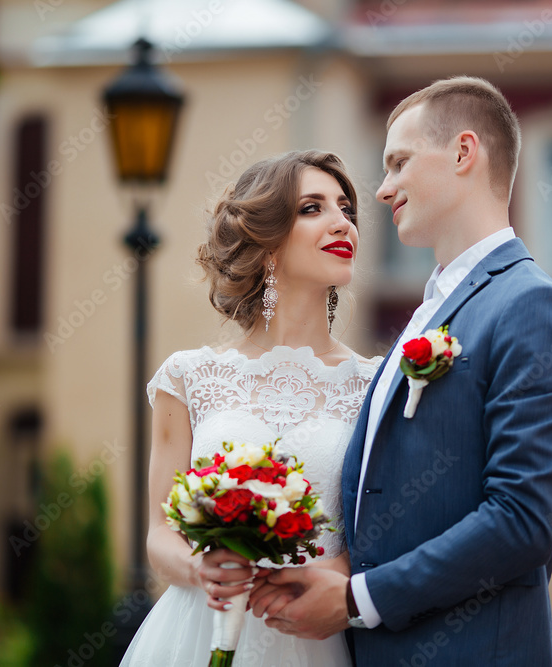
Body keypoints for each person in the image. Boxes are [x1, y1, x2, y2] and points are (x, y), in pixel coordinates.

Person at [249, 76, 552, 664]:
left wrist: (358, 598)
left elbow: (522, 520)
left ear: (463, 153)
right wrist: (334, 570)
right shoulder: (429, 313)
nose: (382, 191)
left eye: (399, 163)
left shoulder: (532, 307)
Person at [119, 150, 380, 666]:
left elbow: (385, 532)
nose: (341, 222)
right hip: (195, 631)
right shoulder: (188, 378)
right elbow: (160, 536)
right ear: (267, 246)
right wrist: (204, 570)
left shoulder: (374, 386)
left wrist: (338, 574)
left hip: (314, 639)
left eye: (346, 208)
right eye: (313, 208)